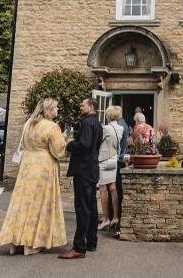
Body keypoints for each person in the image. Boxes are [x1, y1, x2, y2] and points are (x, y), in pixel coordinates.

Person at [0, 98, 68, 255]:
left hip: (27, 165)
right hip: (43, 166)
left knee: (21, 202)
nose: (58, 110)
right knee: (39, 204)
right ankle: (32, 243)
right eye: (56, 108)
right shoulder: (52, 126)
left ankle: (14, 241)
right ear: (48, 110)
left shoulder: (28, 124)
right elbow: (59, 151)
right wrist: (64, 139)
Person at [59, 98, 102, 260]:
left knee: (82, 208)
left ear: (91, 107)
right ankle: (91, 242)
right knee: (91, 207)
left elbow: (84, 145)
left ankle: (79, 247)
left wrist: (70, 144)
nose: (80, 106)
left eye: (83, 105)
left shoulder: (87, 123)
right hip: (92, 169)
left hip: (83, 170)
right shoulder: (97, 123)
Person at [97, 105, 123, 231]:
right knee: (113, 188)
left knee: (103, 190)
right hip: (114, 160)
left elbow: (98, 142)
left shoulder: (106, 128)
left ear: (107, 115)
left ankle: (106, 218)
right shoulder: (121, 128)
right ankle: (116, 217)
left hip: (103, 160)